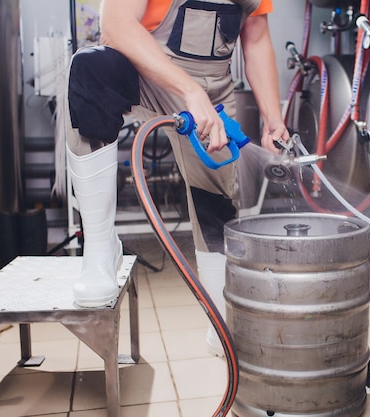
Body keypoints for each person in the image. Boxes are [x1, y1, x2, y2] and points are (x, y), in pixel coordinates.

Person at [65, 0, 289, 353]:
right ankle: (99, 252)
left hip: (213, 91)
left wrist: (272, 117)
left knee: (217, 202)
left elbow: (256, 37)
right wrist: (188, 91)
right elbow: (117, 26)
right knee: (91, 69)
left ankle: (222, 325)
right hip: (147, 73)